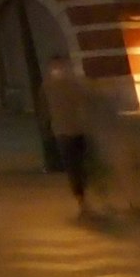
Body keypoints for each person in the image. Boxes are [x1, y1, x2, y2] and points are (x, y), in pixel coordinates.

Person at [42, 54, 101, 218]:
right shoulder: (51, 86)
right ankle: (82, 201)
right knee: (75, 167)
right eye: (56, 66)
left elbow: (87, 100)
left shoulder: (72, 84)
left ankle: (85, 198)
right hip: (65, 132)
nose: (59, 69)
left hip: (77, 130)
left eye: (60, 66)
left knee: (83, 165)